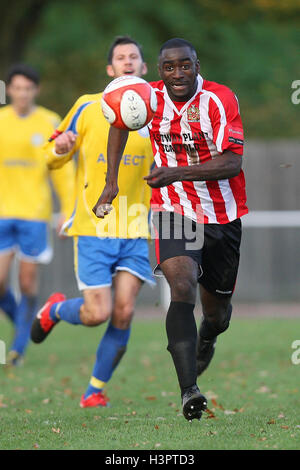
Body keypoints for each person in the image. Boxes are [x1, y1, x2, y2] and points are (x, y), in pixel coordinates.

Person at [93, 38, 248, 421]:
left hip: (222, 215)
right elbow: (119, 122)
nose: (177, 74)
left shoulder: (219, 99)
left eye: (185, 65)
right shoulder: (148, 97)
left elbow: (232, 162)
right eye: (169, 67)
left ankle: (207, 337)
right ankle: (189, 391)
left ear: (197, 64)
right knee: (180, 285)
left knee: (218, 314)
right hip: (173, 207)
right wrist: (111, 181)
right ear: (158, 70)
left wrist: (175, 172)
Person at [31, 36, 154, 408]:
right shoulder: (87, 107)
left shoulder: (158, 112)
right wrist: (60, 147)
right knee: (96, 314)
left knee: (125, 310)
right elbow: (49, 157)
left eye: (134, 57)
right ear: (109, 70)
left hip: (134, 228)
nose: (128, 61)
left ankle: (94, 391)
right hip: (94, 227)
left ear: (144, 68)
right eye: (120, 57)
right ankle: (54, 310)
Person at [0, 64, 74, 366]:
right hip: (3, 213)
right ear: (9, 90)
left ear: (35, 91)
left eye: (28, 88)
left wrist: (67, 210)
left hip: (34, 214)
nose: (22, 93)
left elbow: (63, 170)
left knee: (28, 284)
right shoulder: (1, 121)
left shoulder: (49, 122)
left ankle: (18, 346)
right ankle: (24, 327)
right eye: (17, 88)